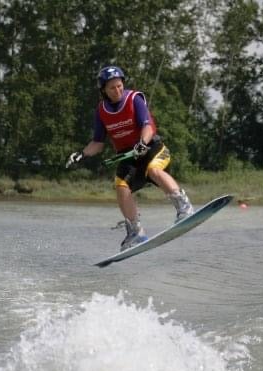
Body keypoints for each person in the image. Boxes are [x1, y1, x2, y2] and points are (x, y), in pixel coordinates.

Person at [66, 65, 194, 251]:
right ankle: (136, 231)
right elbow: (98, 143)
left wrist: (142, 143)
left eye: (119, 86)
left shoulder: (135, 99)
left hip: (152, 149)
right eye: (112, 88)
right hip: (127, 156)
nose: (117, 90)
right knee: (121, 187)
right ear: (103, 90)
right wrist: (82, 154)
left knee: (154, 170)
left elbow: (147, 126)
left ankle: (184, 208)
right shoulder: (101, 111)